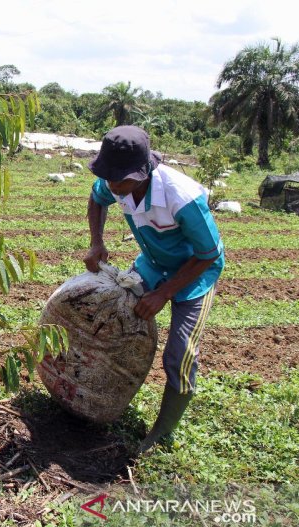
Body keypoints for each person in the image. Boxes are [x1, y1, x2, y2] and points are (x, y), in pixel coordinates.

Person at [83, 125, 224, 453]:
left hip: (194, 275)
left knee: (180, 353)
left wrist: (163, 294)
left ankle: (162, 432)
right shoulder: (116, 184)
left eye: (121, 179)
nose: (113, 186)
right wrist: (96, 242)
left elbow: (208, 254)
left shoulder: (181, 197)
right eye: (110, 177)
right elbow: (96, 197)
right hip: (153, 262)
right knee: (113, 316)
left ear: (144, 172)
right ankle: (101, 398)